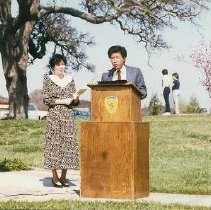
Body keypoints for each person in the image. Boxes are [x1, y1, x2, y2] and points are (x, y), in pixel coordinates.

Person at [42, 54, 79, 188]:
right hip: (55, 114)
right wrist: (62, 101)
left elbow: (75, 101)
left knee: (67, 145)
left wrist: (75, 98)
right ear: (53, 67)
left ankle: (64, 176)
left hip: (68, 115)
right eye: (58, 64)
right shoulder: (48, 79)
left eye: (63, 64)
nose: (61, 67)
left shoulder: (70, 79)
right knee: (54, 145)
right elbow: (46, 99)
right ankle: (54, 176)